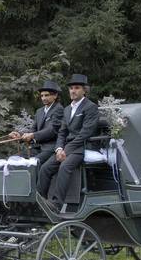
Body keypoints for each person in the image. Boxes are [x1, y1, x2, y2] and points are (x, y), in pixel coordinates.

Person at [36, 74, 99, 207]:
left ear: (84, 90)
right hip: (65, 148)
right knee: (45, 168)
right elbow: (62, 132)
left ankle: (56, 204)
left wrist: (66, 150)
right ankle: (40, 202)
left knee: (65, 166)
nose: (73, 91)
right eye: (71, 88)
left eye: (77, 88)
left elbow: (85, 133)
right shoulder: (67, 109)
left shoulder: (90, 107)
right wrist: (59, 148)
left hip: (81, 147)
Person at [9, 80, 64, 166]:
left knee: (33, 163)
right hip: (36, 148)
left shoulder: (59, 109)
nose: (43, 98)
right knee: (12, 160)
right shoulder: (39, 111)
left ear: (55, 95)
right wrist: (20, 136)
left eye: (47, 95)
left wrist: (33, 135)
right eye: (42, 95)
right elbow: (33, 129)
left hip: (50, 148)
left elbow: (52, 130)